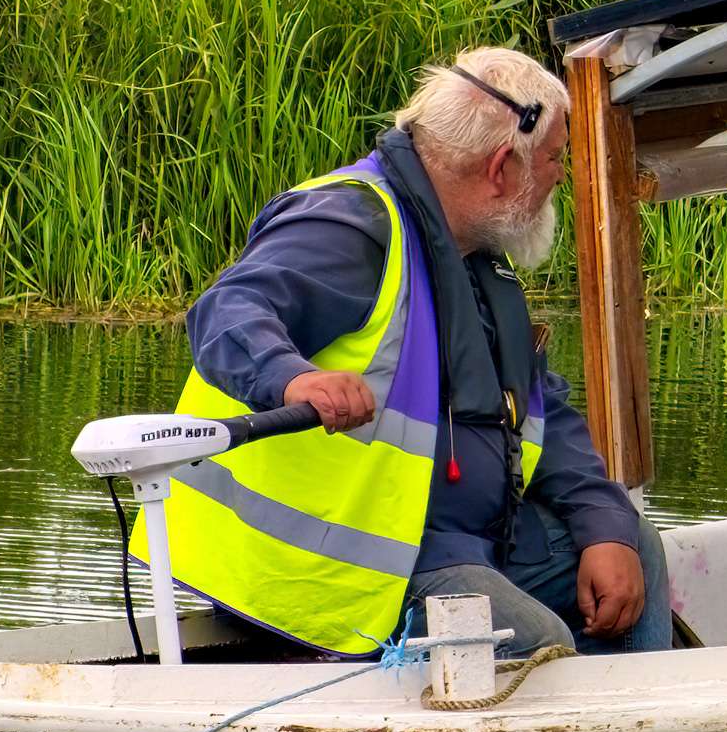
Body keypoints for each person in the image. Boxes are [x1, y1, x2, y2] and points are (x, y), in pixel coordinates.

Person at [168, 45, 675, 663]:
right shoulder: (351, 224)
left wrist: (605, 526)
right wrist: (293, 379)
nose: (561, 175)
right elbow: (227, 311)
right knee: (542, 645)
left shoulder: (474, 253)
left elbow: (542, 412)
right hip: (344, 575)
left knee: (635, 546)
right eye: (553, 158)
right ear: (500, 168)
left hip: (461, 546)